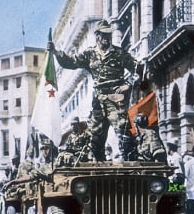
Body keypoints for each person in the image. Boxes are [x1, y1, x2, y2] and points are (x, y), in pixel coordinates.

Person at [48, 19, 142, 162]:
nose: (107, 38)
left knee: (125, 136)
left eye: (109, 35)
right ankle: (100, 169)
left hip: (116, 100)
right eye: (103, 35)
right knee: (95, 139)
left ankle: (134, 171)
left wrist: (127, 85)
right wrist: (55, 52)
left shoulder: (119, 53)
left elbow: (140, 70)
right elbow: (71, 62)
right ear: (97, 35)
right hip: (98, 102)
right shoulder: (90, 54)